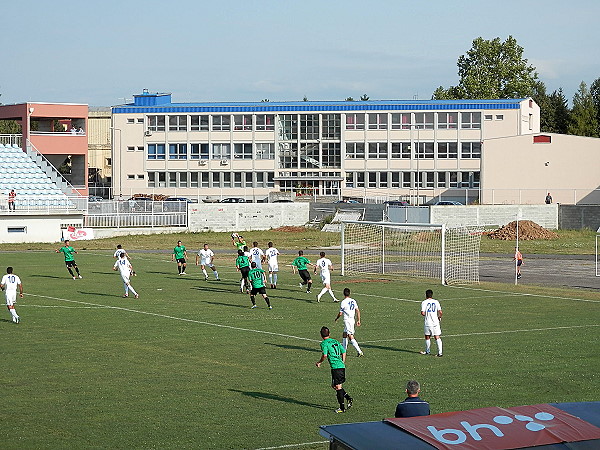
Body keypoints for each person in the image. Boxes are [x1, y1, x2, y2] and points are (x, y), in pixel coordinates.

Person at [315, 326, 353, 413]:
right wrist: (343, 361)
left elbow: (324, 355)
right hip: (340, 367)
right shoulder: (335, 341)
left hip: (336, 368)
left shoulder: (324, 344)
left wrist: (319, 362)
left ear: (321, 335)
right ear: (329, 334)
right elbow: (343, 351)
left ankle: (342, 408)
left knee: (338, 387)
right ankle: (348, 398)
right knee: (334, 386)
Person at [335, 288, 363, 357]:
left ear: (343, 293)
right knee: (344, 334)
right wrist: (358, 320)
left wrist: (336, 318)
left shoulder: (343, 302)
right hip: (352, 320)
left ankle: (359, 351)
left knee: (350, 336)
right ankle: (344, 350)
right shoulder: (353, 301)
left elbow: (340, 313)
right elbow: (357, 310)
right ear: (349, 293)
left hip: (348, 321)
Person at [420, 289, 443, 357]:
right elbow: (440, 312)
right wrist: (439, 317)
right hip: (435, 322)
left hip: (428, 322)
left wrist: (426, 314)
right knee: (437, 337)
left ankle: (428, 351)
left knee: (427, 337)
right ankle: (440, 353)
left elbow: (422, 313)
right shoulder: (436, 302)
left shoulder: (424, 302)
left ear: (426, 295)